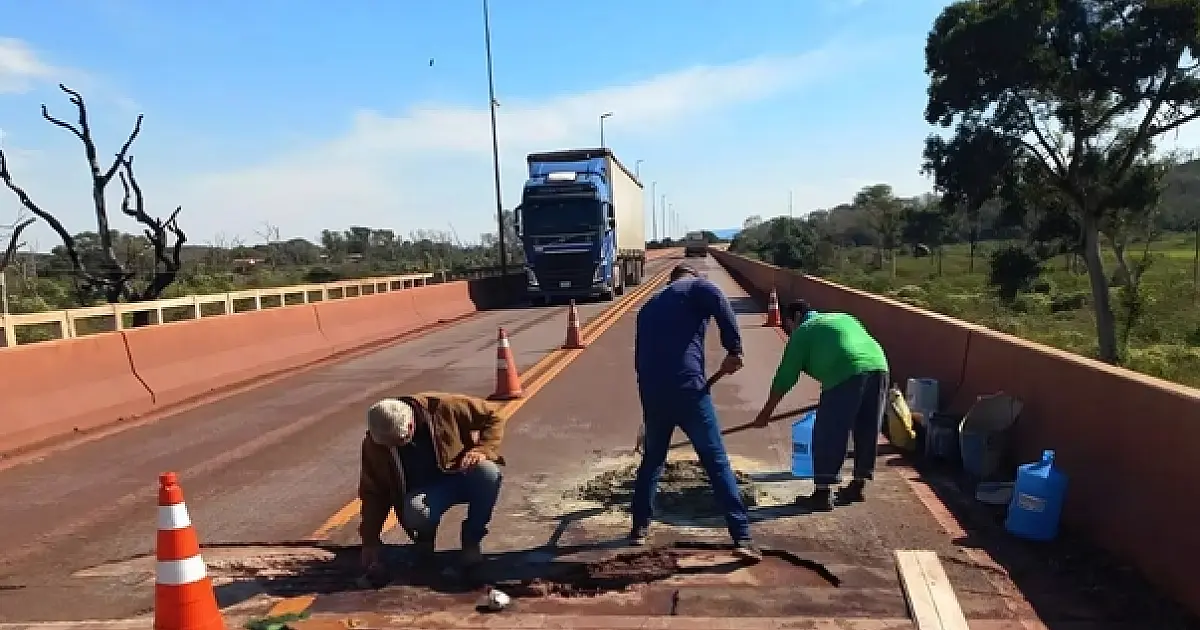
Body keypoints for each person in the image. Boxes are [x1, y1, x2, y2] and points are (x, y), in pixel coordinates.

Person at [631, 263, 761, 562]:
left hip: (653, 393)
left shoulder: (648, 305)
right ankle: (741, 536)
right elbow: (720, 300)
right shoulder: (696, 286)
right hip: (689, 391)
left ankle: (639, 528)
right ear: (691, 276)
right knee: (716, 462)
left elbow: (640, 359)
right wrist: (734, 349)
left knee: (652, 461)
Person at [752, 299, 889, 511]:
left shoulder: (803, 331)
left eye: (789, 326)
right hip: (879, 365)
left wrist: (765, 413)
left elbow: (785, 377)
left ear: (795, 318)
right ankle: (858, 485)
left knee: (829, 432)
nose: (790, 331)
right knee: (867, 428)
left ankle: (822, 493)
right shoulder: (843, 317)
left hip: (845, 370)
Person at [358, 393, 505, 574]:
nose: (392, 447)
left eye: (399, 441)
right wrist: (370, 540)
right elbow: (374, 492)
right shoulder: (375, 444)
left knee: (488, 473)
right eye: (387, 444)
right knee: (416, 511)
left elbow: (493, 415)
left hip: (460, 474)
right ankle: (425, 540)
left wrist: (483, 449)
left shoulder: (442, 406)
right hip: (426, 492)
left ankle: (471, 541)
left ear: (411, 425)